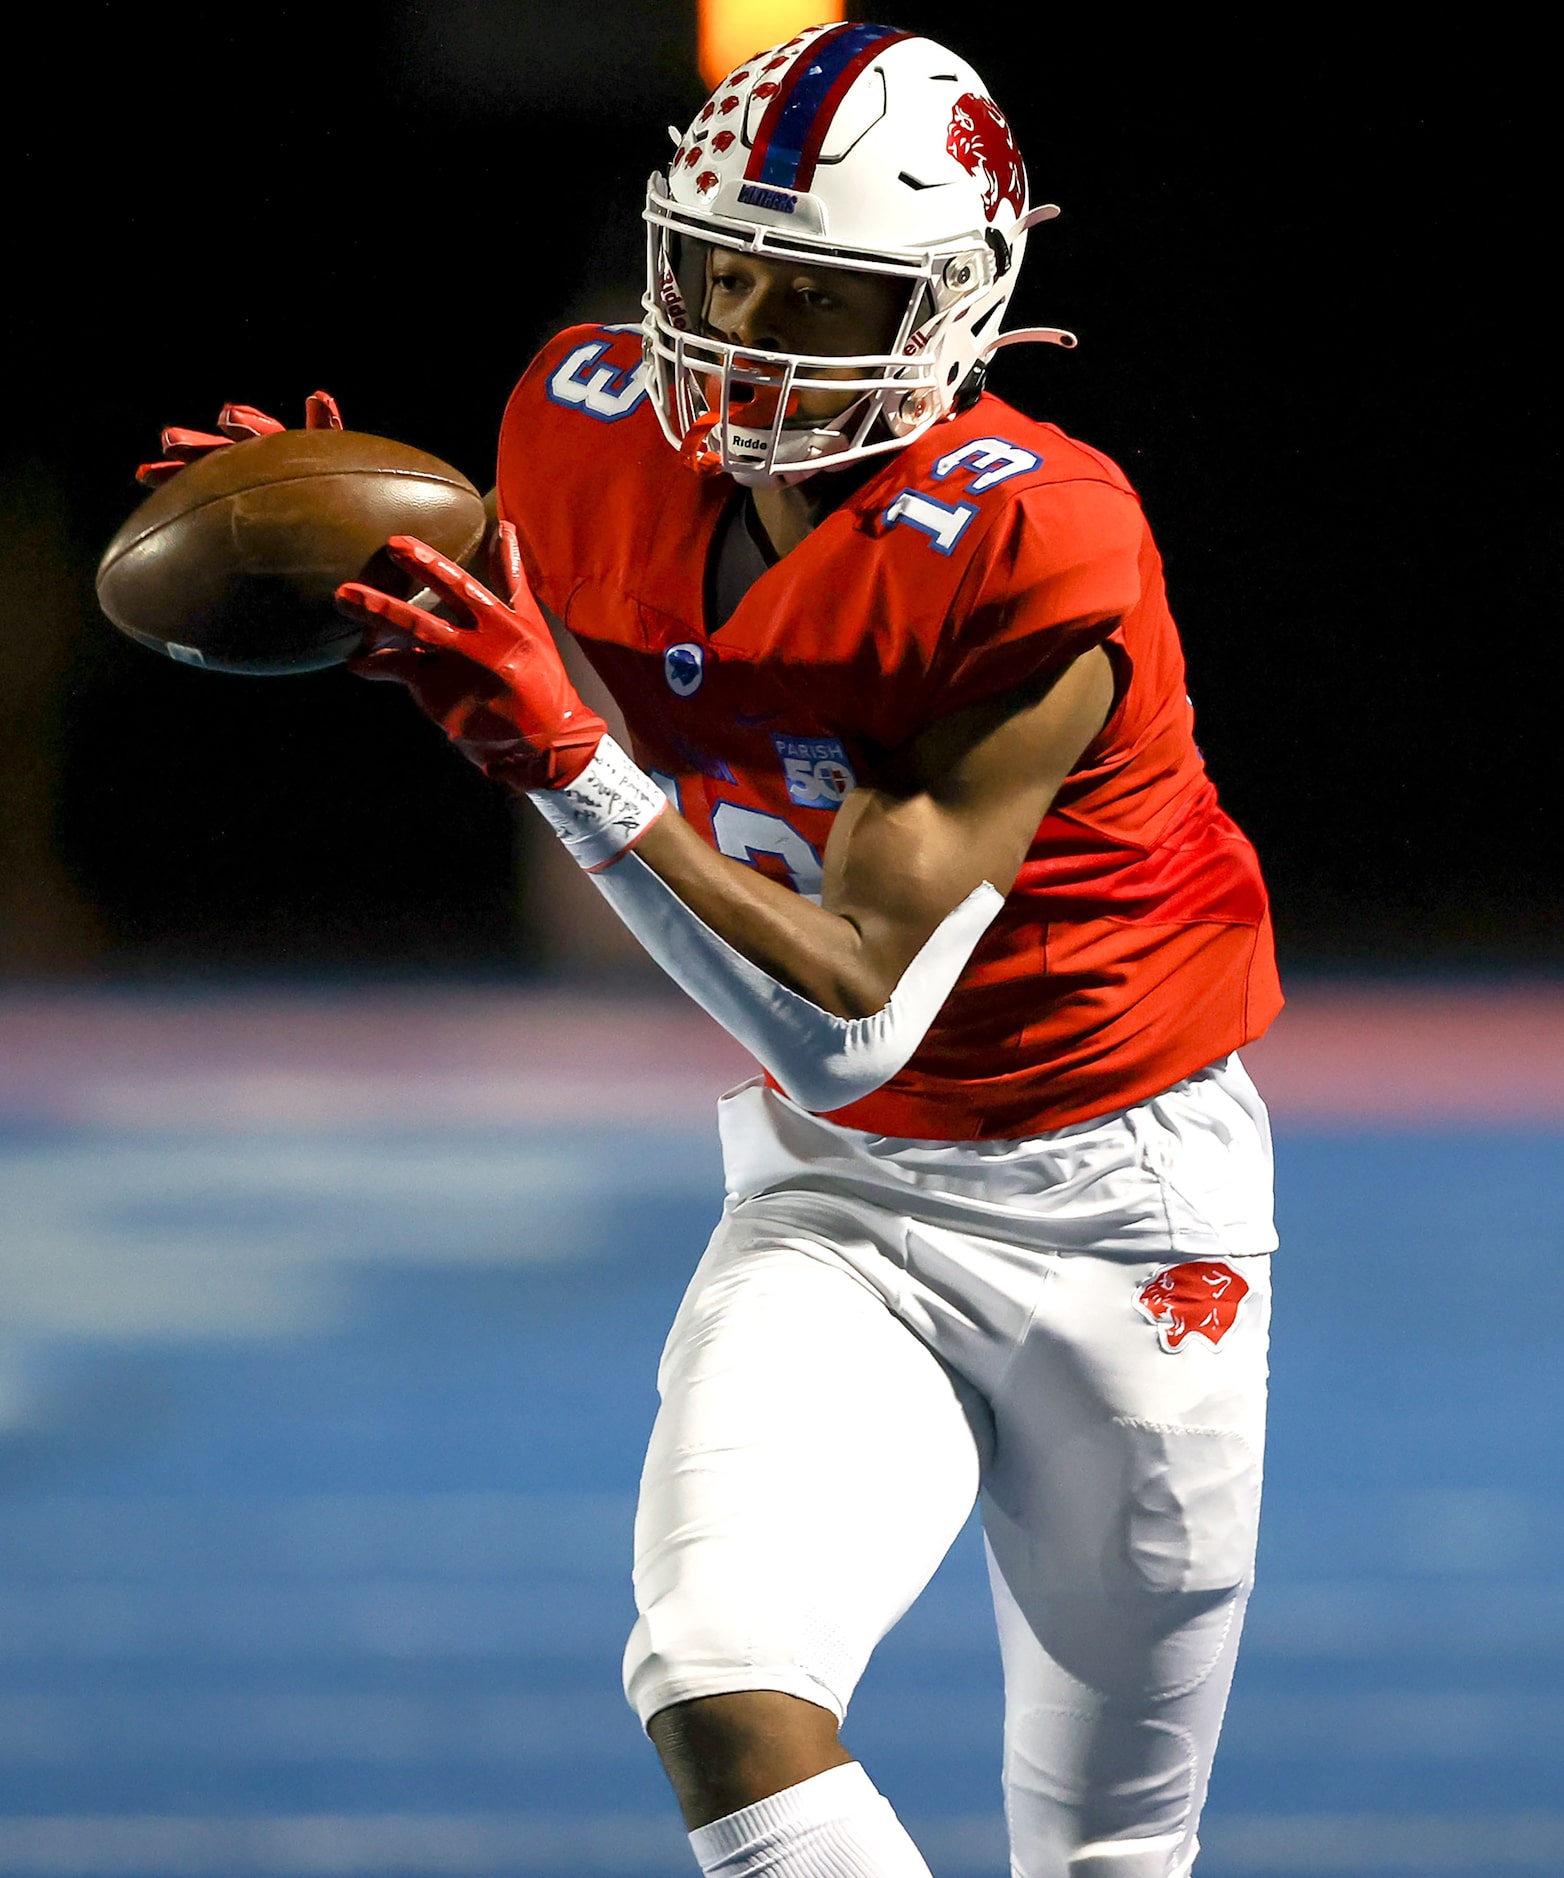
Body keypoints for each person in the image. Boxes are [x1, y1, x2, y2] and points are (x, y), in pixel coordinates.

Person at [332, 23, 1279, 1876]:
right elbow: (833, 1081)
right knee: (718, 1680)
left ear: (945, 313)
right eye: (718, 263)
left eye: (817, 295)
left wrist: (566, 758)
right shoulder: (579, 417)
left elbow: (854, 1003)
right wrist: (317, 568)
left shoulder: (1039, 534)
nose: (742, 331)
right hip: (840, 1197)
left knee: (1105, 1855)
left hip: (1124, 1202)